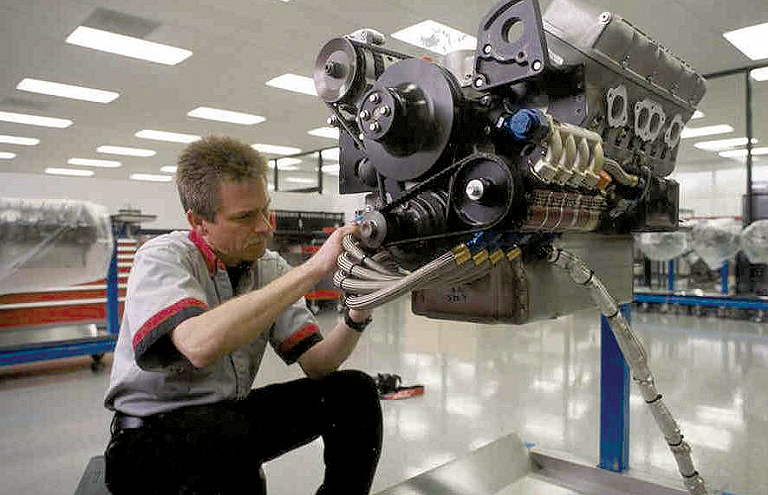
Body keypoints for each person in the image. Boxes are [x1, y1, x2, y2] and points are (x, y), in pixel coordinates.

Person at [103, 135, 382, 495]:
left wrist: (358, 311)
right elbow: (198, 345)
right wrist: (312, 270)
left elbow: (319, 365)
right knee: (214, 449)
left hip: (225, 425)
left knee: (353, 392)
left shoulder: (270, 268)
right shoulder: (163, 257)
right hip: (150, 442)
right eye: (245, 217)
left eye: (266, 210)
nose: (266, 226)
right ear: (199, 222)